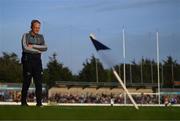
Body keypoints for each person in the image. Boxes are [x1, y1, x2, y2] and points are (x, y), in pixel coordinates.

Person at [21, 19, 47, 106]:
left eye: (38, 27)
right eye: (35, 27)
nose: (37, 29)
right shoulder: (25, 35)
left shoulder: (41, 36)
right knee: (27, 82)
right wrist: (38, 50)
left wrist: (33, 46)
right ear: (31, 27)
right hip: (27, 61)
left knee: (39, 83)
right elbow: (25, 48)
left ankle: (39, 103)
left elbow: (45, 48)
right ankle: (23, 102)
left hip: (38, 62)